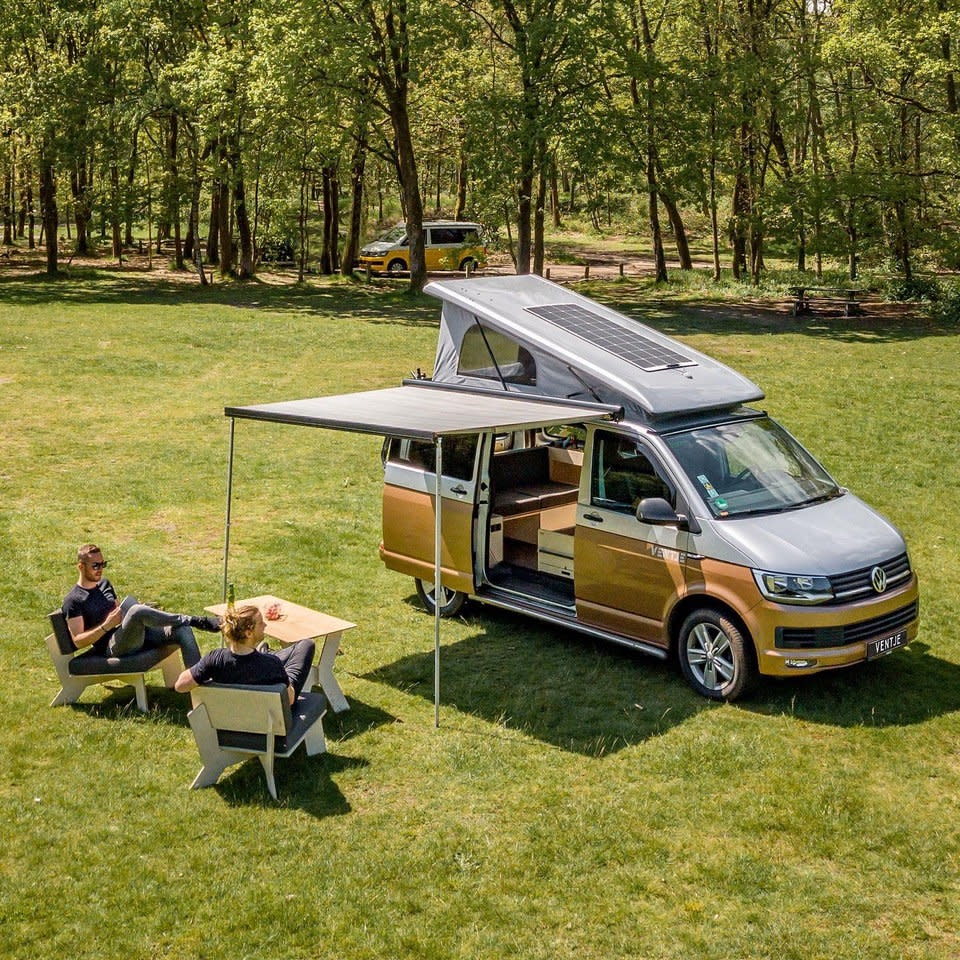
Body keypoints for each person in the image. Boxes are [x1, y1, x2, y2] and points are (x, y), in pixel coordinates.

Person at [62, 543, 220, 668]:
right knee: (137, 611)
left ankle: (197, 685)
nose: (100, 569)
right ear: (81, 567)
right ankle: (195, 620)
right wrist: (106, 625)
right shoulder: (74, 600)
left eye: (103, 564)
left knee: (182, 629)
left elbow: (119, 611)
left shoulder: (104, 584)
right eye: (95, 566)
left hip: (131, 634)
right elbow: (78, 641)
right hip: (113, 646)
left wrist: (139, 611)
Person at [175, 605, 315, 705]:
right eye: (260, 623)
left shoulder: (214, 660)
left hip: (226, 725)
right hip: (268, 729)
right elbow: (289, 701)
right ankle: (264, 653)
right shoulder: (272, 665)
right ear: (248, 633)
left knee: (276, 657)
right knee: (306, 645)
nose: (265, 625)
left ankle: (263, 652)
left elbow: (180, 686)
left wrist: (207, 676)